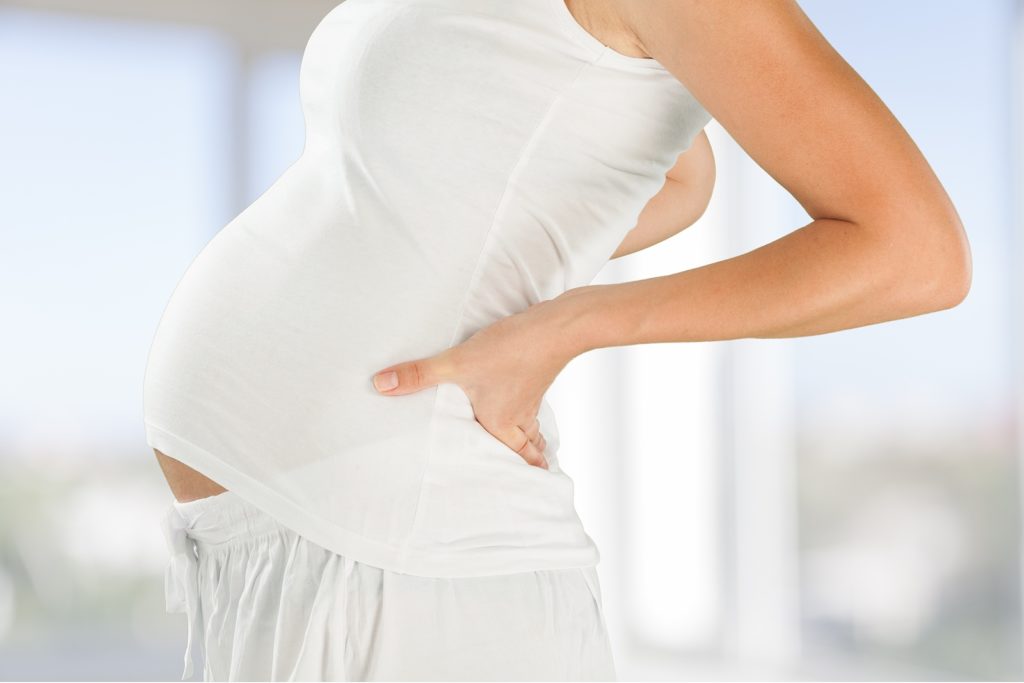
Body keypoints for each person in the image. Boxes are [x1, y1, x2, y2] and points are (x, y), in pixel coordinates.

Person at [145, 0, 971, 680]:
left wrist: (565, 325)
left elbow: (916, 250)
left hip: (414, 555)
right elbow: (680, 176)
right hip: (308, 546)